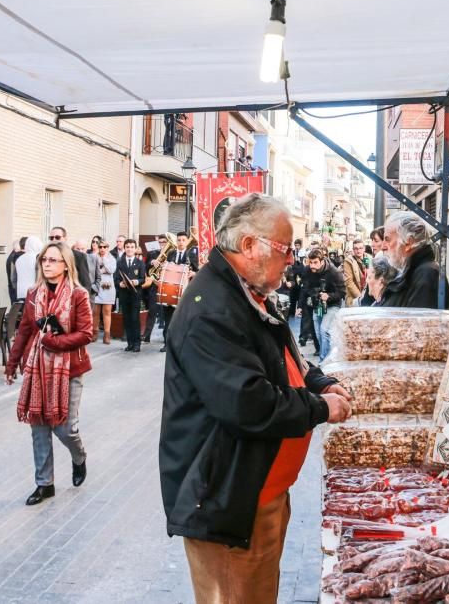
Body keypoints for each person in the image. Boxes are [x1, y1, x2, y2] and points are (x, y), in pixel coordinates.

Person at [160, 193, 352, 604]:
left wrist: (316, 381)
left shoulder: (246, 292)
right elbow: (246, 402)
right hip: (229, 498)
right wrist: (319, 408)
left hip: (257, 491)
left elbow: (281, 359)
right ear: (249, 246)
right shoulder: (211, 307)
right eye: (285, 249)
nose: (291, 260)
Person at [5, 242, 94, 506]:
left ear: (66, 264)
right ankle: (44, 484)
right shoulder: (33, 294)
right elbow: (24, 330)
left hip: (70, 368)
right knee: (39, 425)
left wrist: (56, 342)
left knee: (65, 428)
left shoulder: (78, 294)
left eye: (53, 260)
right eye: (44, 259)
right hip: (38, 367)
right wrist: (12, 364)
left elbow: (87, 333)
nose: (47, 264)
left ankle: (79, 457)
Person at [379, 211, 449, 311]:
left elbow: (418, 323)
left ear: (408, 242)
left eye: (387, 239)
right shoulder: (413, 271)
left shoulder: (426, 274)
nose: (383, 246)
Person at [300, 249, 345, 361]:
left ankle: (323, 361)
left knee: (324, 330)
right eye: (310, 262)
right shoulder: (307, 271)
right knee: (319, 332)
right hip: (318, 305)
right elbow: (304, 289)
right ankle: (326, 357)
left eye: (315, 262)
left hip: (332, 305)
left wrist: (328, 296)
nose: (312, 265)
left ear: (322, 261)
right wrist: (300, 306)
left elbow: (342, 292)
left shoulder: (334, 272)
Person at [159, 232, 198, 353]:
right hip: (169, 291)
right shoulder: (171, 253)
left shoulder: (191, 255)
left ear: (187, 242)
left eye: (183, 240)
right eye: (179, 240)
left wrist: (194, 273)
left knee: (182, 320)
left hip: (184, 292)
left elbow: (198, 270)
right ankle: (167, 344)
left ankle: (181, 345)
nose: (181, 242)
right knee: (168, 320)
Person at [114, 239, 146, 353]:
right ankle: (130, 343)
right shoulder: (120, 262)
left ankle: (137, 344)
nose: (129, 249)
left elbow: (143, 279)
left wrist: (137, 282)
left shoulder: (140, 263)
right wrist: (119, 283)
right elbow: (116, 278)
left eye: (132, 247)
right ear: (125, 248)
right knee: (127, 319)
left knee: (134, 319)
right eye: (127, 247)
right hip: (124, 295)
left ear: (135, 248)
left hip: (135, 295)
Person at [92, 241, 116, 344]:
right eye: (100, 247)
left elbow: (111, 270)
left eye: (104, 247)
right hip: (97, 286)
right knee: (95, 312)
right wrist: (102, 270)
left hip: (108, 286)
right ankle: (94, 333)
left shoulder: (111, 258)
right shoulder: (93, 257)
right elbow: (92, 271)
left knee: (106, 312)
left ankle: (107, 335)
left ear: (107, 247)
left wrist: (105, 259)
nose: (102, 249)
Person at [342, 239, 366, 307]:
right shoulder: (348, 261)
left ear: (364, 248)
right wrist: (360, 298)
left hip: (367, 295)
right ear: (353, 249)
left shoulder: (369, 258)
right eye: (356, 248)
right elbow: (349, 282)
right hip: (354, 298)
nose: (358, 251)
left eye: (360, 248)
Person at [6, 238, 25, 303]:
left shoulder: (11, 256)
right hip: (16, 289)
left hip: (12, 288)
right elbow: (13, 277)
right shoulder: (16, 257)